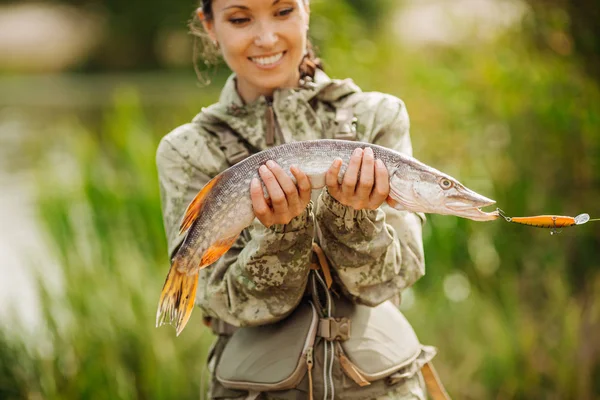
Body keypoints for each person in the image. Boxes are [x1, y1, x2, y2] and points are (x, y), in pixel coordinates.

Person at [156, 0, 444, 399]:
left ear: (307, 9)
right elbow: (227, 303)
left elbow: (393, 279)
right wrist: (281, 233)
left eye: (283, 11)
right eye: (240, 19)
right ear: (209, 25)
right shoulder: (187, 149)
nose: (266, 37)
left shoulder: (379, 116)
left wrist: (351, 217)